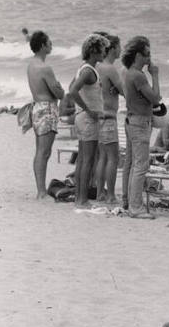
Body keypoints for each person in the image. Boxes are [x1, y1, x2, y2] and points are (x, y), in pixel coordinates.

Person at [121, 35, 161, 218]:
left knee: (132, 164)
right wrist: (155, 75)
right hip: (139, 123)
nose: (148, 58)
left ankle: (129, 201)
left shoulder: (128, 72)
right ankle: (135, 207)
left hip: (131, 120)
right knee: (140, 166)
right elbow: (155, 98)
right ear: (138, 55)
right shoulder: (138, 75)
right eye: (146, 54)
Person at [70, 33, 109, 207]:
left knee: (82, 160)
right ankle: (82, 199)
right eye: (102, 48)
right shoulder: (88, 71)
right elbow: (72, 91)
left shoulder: (84, 68)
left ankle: (79, 197)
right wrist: (89, 110)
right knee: (88, 159)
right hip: (87, 119)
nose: (104, 52)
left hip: (81, 118)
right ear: (94, 51)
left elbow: (73, 88)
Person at [26, 30, 65, 198]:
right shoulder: (45, 68)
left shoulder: (31, 65)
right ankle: (41, 191)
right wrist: (60, 88)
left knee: (40, 151)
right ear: (42, 46)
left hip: (36, 107)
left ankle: (40, 189)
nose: (51, 45)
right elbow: (59, 93)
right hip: (47, 108)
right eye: (49, 43)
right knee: (44, 152)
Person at [94, 33, 124, 203]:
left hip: (98, 115)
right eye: (119, 46)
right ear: (112, 49)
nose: (121, 50)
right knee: (113, 157)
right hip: (109, 116)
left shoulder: (97, 67)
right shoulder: (110, 68)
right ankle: (111, 195)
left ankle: (100, 192)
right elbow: (125, 90)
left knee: (103, 157)